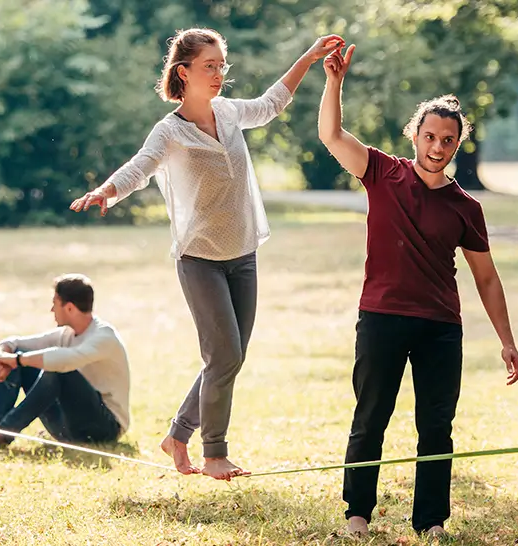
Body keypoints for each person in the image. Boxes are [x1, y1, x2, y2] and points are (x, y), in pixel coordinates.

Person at [68, 28, 345, 480]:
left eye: (221, 65)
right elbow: (140, 167)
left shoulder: (230, 112)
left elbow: (272, 103)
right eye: (209, 66)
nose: (218, 74)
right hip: (199, 259)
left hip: (243, 254)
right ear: (184, 72)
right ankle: (214, 453)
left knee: (228, 358)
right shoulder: (169, 131)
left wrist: (309, 58)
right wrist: (107, 190)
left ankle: (178, 435)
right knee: (224, 356)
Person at [317, 43, 518, 538]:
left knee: (436, 427)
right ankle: (357, 515)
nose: (436, 147)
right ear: (415, 134)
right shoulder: (381, 172)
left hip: (439, 327)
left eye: (447, 140)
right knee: (371, 418)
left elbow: (486, 278)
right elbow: (331, 135)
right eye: (429, 136)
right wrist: (335, 81)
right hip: (381, 318)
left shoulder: (466, 208)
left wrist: (507, 340)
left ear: (457, 145)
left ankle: (431, 522)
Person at [0, 274, 129, 448]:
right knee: (20, 356)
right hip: (67, 427)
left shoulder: (104, 337)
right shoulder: (67, 334)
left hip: (105, 428)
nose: (51, 310)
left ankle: (3, 432)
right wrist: (3, 357)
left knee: (56, 370)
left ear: (69, 308)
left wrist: (17, 360)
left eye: (55, 303)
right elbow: (14, 343)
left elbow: (66, 360)